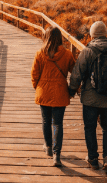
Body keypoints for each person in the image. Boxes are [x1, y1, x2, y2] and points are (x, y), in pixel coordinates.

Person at [69, 21, 107, 171]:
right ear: (106, 33)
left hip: (90, 98)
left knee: (90, 128)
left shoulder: (87, 52)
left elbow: (77, 74)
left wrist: (72, 90)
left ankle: (93, 159)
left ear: (92, 35)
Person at [31, 27, 75, 167]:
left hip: (44, 91)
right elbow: (75, 73)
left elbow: (34, 75)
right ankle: (57, 155)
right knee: (57, 123)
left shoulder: (40, 54)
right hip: (60, 92)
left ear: (46, 37)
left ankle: (48, 147)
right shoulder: (67, 54)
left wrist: (38, 88)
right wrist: (72, 89)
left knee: (46, 121)